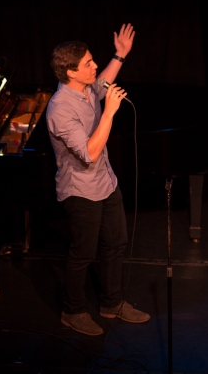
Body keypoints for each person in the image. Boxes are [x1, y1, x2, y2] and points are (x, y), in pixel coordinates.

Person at [46, 24, 150, 336]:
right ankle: (72, 310)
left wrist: (120, 55)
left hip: (106, 183)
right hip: (81, 191)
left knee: (116, 244)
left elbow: (104, 80)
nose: (95, 67)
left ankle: (111, 303)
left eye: (93, 60)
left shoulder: (87, 88)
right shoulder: (60, 109)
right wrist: (110, 113)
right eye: (88, 64)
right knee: (83, 254)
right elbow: (89, 153)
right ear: (69, 71)